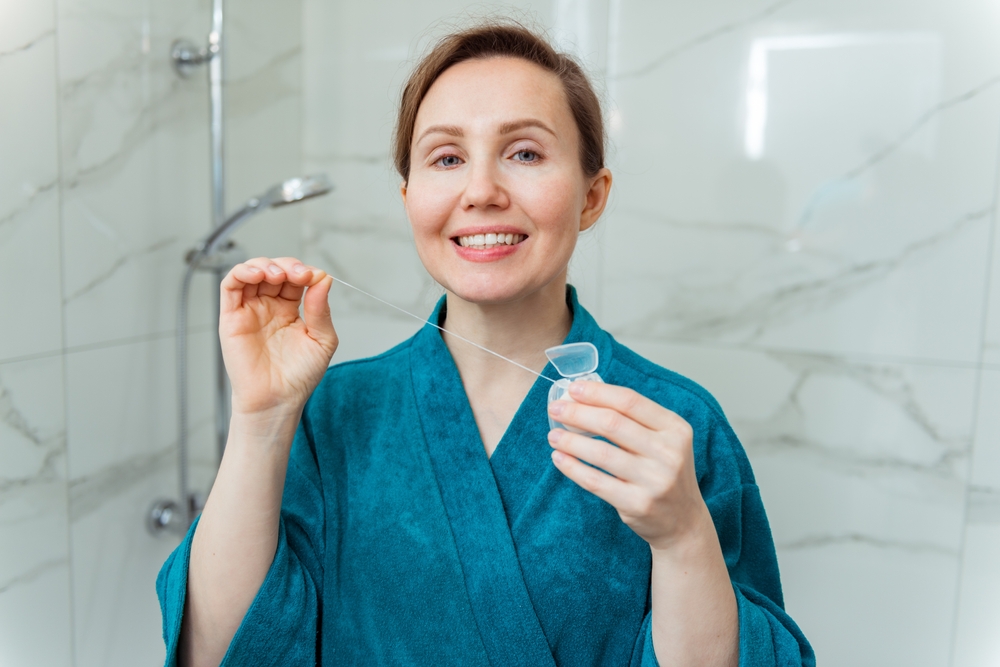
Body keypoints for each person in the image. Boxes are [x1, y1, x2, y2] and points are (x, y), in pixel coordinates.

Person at [157, 20, 814, 667]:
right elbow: (219, 654)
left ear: (592, 196)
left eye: (524, 152)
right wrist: (262, 418)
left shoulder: (680, 426)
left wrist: (683, 538)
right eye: (446, 158)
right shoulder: (329, 416)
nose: (480, 192)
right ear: (410, 197)